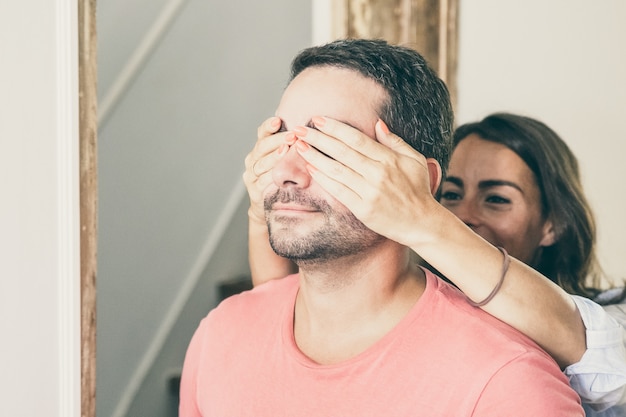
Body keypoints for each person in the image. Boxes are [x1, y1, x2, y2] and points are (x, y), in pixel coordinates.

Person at [179, 38, 583, 416]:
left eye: (327, 148)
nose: (285, 172)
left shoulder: (508, 382)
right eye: (280, 142)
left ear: (417, 181)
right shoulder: (219, 334)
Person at [245, 108, 626, 414]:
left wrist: (423, 217)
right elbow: (277, 307)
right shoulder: (410, 309)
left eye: (496, 199)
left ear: (552, 225)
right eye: (452, 194)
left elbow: (607, 364)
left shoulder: (615, 312)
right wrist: (264, 205)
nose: (465, 215)